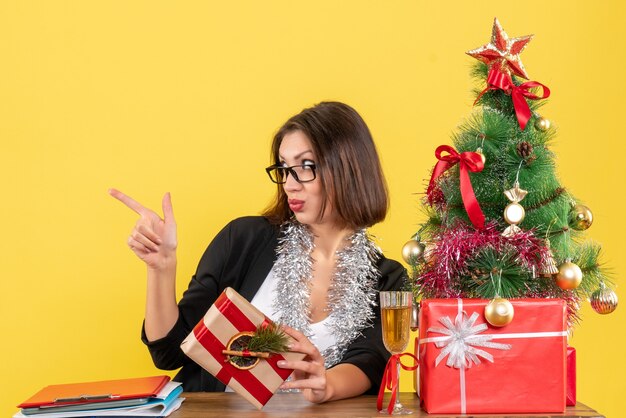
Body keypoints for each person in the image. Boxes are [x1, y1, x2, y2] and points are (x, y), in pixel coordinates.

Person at [109, 101, 407, 404]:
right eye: (284, 168)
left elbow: (370, 361)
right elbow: (169, 352)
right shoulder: (244, 240)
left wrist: (326, 384)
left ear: (349, 168)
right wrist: (161, 268)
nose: (290, 184)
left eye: (305, 166)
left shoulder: (387, 278)